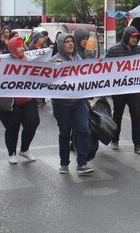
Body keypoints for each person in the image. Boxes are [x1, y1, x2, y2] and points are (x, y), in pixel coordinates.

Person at [50, 33, 94, 175]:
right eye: (67, 42)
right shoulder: (54, 61)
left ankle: (82, 163)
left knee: (83, 129)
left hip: (78, 102)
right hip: (61, 104)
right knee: (64, 133)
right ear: (61, 45)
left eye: (72, 41)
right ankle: (64, 163)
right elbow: (48, 83)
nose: (70, 44)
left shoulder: (78, 58)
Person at [0, 37, 39, 164]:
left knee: (33, 123)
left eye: (22, 45)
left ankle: (24, 150)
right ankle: (12, 153)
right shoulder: (4, 62)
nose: (21, 48)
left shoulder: (28, 60)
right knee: (12, 128)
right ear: (13, 48)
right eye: (18, 46)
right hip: (10, 103)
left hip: (27, 100)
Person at [107, 25, 140, 154]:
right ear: (126, 37)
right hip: (119, 90)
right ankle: (115, 140)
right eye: (132, 37)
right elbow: (105, 68)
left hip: (134, 90)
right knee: (117, 115)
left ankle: (137, 144)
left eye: (137, 38)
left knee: (136, 116)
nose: (135, 40)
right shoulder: (114, 51)